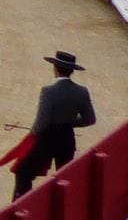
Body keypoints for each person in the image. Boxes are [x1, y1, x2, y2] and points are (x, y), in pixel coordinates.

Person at [12, 51, 94, 200]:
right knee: (64, 177)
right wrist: (68, 122)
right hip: (67, 138)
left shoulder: (49, 92)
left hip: (47, 139)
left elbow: (42, 122)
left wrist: (32, 133)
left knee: (23, 171)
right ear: (72, 71)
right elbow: (90, 119)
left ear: (55, 69)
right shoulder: (82, 91)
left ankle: (22, 204)